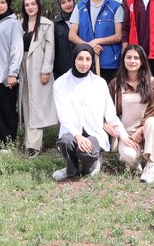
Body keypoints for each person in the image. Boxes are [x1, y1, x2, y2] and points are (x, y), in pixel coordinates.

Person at [52, 44, 128, 181]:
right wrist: (77, 136)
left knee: (86, 151)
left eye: (88, 59)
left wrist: (124, 136)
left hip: (94, 132)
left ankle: (91, 165)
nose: (84, 63)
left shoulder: (99, 83)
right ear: (74, 59)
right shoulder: (60, 83)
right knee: (66, 142)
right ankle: (71, 169)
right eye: (80, 59)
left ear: (92, 60)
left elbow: (111, 115)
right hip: (71, 131)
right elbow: (63, 115)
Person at [107, 44, 154, 183]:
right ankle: (136, 163)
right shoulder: (115, 84)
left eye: (136, 58)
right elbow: (109, 111)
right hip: (126, 132)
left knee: (153, 123)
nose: (132, 61)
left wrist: (141, 129)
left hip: (148, 128)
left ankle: (151, 165)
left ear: (142, 61)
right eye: (129, 57)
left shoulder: (152, 83)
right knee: (128, 156)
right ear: (123, 60)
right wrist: (122, 134)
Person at [69, 0, 124, 81]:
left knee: (109, 97)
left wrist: (97, 41)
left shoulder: (116, 7)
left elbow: (118, 36)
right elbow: (72, 35)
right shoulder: (80, 6)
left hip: (109, 63)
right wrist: (88, 46)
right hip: (85, 62)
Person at [20, 0, 57, 157]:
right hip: (23, 66)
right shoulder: (20, 24)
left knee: (36, 105)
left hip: (38, 67)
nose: (30, 7)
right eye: (27, 5)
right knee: (26, 103)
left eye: (33, 4)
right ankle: (28, 141)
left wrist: (46, 70)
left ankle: (34, 145)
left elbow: (50, 48)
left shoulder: (47, 24)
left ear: (38, 5)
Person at [0, 0, 23, 146]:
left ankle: (7, 142)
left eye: (2, 2)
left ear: (8, 4)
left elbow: (17, 49)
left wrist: (12, 73)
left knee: (6, 109)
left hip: (6, 74)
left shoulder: (13, 23)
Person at [52, 0, 76, 78]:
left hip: (81, 65)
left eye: (69, 0)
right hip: (62, 70)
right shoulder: (55, 24)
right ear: (59, 5)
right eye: (63, 2)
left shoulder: (82, 20)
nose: (67, 4)